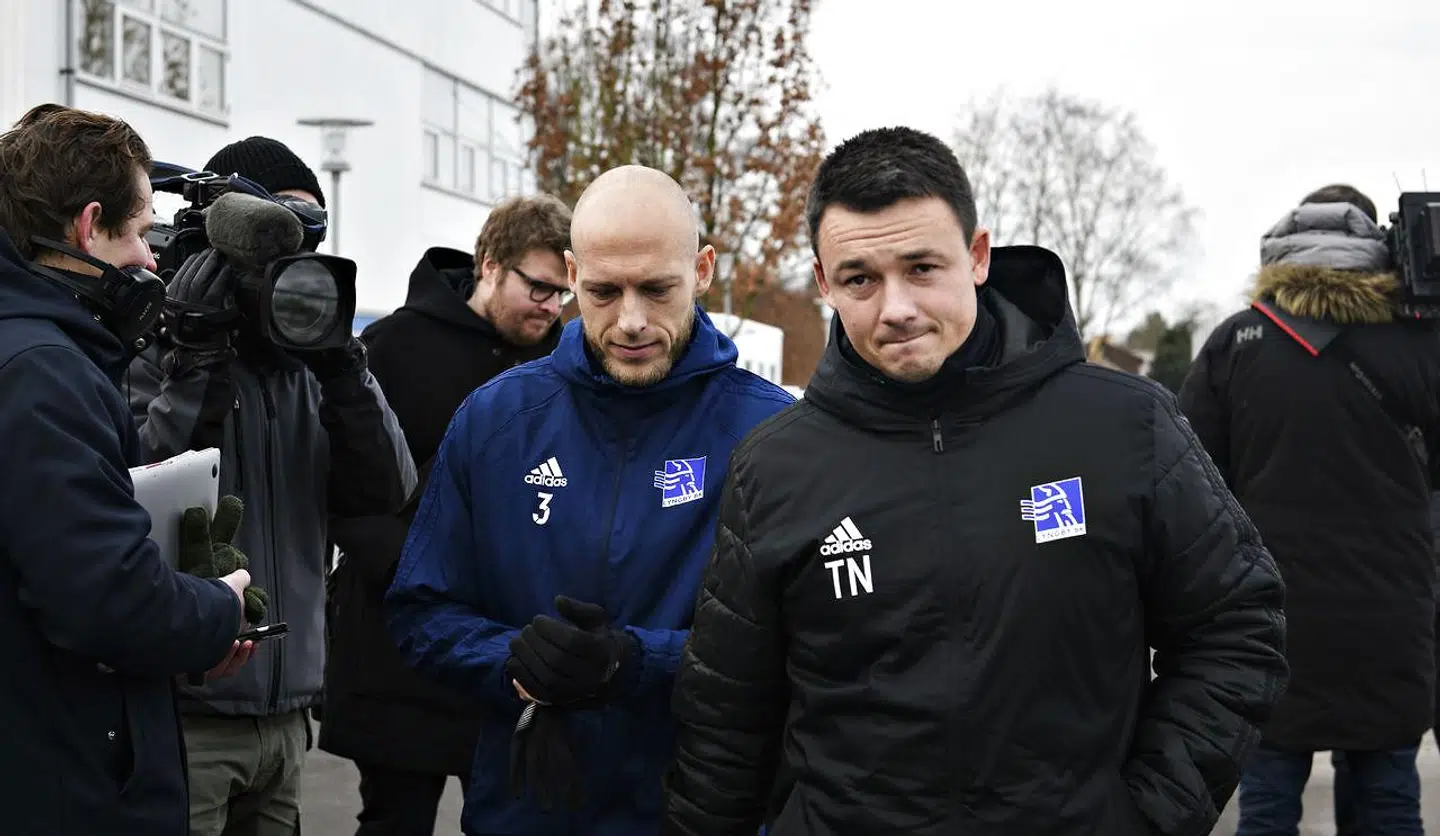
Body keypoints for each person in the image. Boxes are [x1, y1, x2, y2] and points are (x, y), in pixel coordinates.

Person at [661, 126, 1289, 836]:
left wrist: (1147, 813)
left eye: (922, 267)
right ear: (823, 283)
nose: (895, 307)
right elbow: (726, 719)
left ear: (979, 256)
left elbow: (1236, 626)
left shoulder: (1125, 426)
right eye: (860, 278)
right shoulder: (773, 467)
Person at [385, 164, 795, 836]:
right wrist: (512, 660)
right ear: (572, 275)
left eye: (657, 289)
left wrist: (640, 663)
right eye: (604, 291)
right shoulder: (494, 421)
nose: (631, 321)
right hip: (524, 810)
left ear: (704, 270)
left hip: (698, 815)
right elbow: (420, 610)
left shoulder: (771, 436)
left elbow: (803, 650)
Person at [126, 135, 418, 836]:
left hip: (287, 723)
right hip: (185, 718)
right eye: (273, 231)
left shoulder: (308, 370)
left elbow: (387, 487)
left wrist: (344, 366)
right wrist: (195, 359)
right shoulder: (152, 347)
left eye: (308, 237)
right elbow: (139, 491)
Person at [0, 103, 256, 835]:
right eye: (143, 231)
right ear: (88, 225)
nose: (153, 259)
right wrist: (217, 607)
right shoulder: (44, 373)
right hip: (65, 783)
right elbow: (105, 601)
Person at [1176, 185, 1440, 836]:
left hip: (1274, 618)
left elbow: (1190, 483)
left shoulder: (1235, 342)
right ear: (1383, 249)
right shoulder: (1419, 343)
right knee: (1386, 796)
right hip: (1392, 612)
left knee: (1266, 800)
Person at [319, 193, 573, 834]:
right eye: (539, 288)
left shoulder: (565, 361)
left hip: (507, 655)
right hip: (396, 648)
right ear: (489, 265)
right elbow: (342, 492)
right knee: (395, 821)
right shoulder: (392, 348)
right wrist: (416, 571)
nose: (552, 308)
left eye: (563, 294)